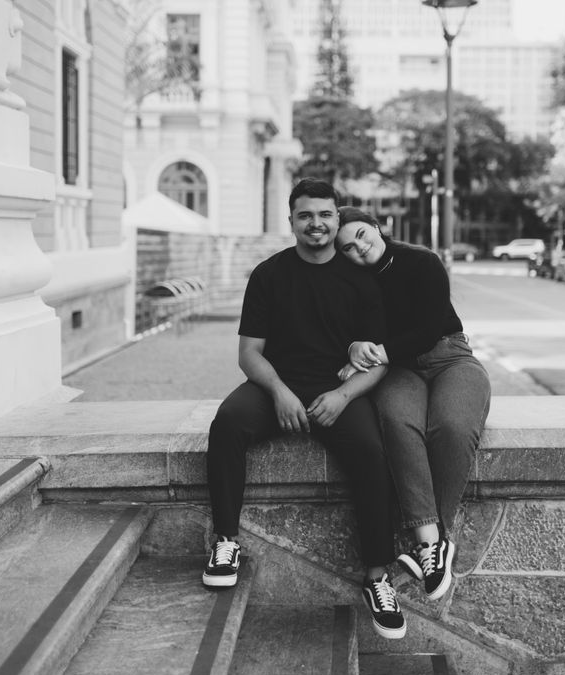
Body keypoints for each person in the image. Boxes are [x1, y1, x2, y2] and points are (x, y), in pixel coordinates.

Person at [203, 178, 406, 640]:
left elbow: (378, 362)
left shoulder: (360, 280)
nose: (316, 223)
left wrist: (344, 396)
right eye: (306, 215)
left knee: (372, 451)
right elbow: (249, 354)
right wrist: (278, 391)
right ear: (291, 220)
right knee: (227, 423)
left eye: (325, 214)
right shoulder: (269, 275)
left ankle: (377, 577)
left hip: (337, 391)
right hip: (277, 385)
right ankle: (226, 542)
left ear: (337, 218)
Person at [335, 208, 491, 601]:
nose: (359, 248)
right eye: (348, 247)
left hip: (450, 356)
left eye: (361, 235)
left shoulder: (422, 262)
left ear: (375, 226)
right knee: (398, 422)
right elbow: (347, 330)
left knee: (452, 426)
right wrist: (354, 347)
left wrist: (378, 351)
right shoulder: (351, 282)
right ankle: (432, 544)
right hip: (397, 370)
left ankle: (432, 543)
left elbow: (428, 328)